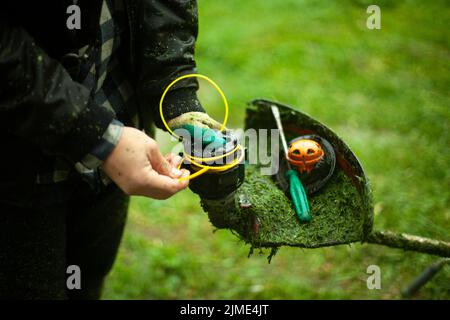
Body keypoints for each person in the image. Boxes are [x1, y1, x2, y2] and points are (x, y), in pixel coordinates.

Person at [0, 0, 220, 299]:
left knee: (87, 274)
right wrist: (95, 135)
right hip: (17, 159)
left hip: (116, 112)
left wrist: (174, 88)